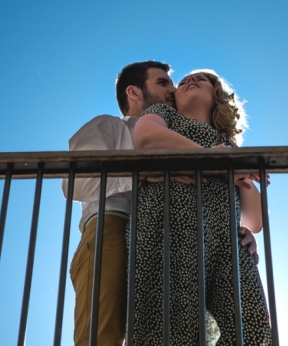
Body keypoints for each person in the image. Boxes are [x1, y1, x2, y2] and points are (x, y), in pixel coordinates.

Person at [65, 61, 258, 346]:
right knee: (104, 333)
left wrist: (240, 227)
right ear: (134, 92)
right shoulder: (109, 126)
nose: (172, 88)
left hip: (164, 234)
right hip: (112, 226)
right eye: (163, 83)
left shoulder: (181, 130)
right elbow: (74, 183)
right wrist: (144, 174)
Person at [131, 70, 271, 346]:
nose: (189, 81)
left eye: (201, 79)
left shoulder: (228, 145)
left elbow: (255, 219)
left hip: (224, 242)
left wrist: (241, 174)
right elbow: (146, 137)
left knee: (254, 330)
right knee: (174, 328)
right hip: (171, 226)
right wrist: (212, 157)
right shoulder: (165, 115)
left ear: (216, 95)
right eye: (182, 82)